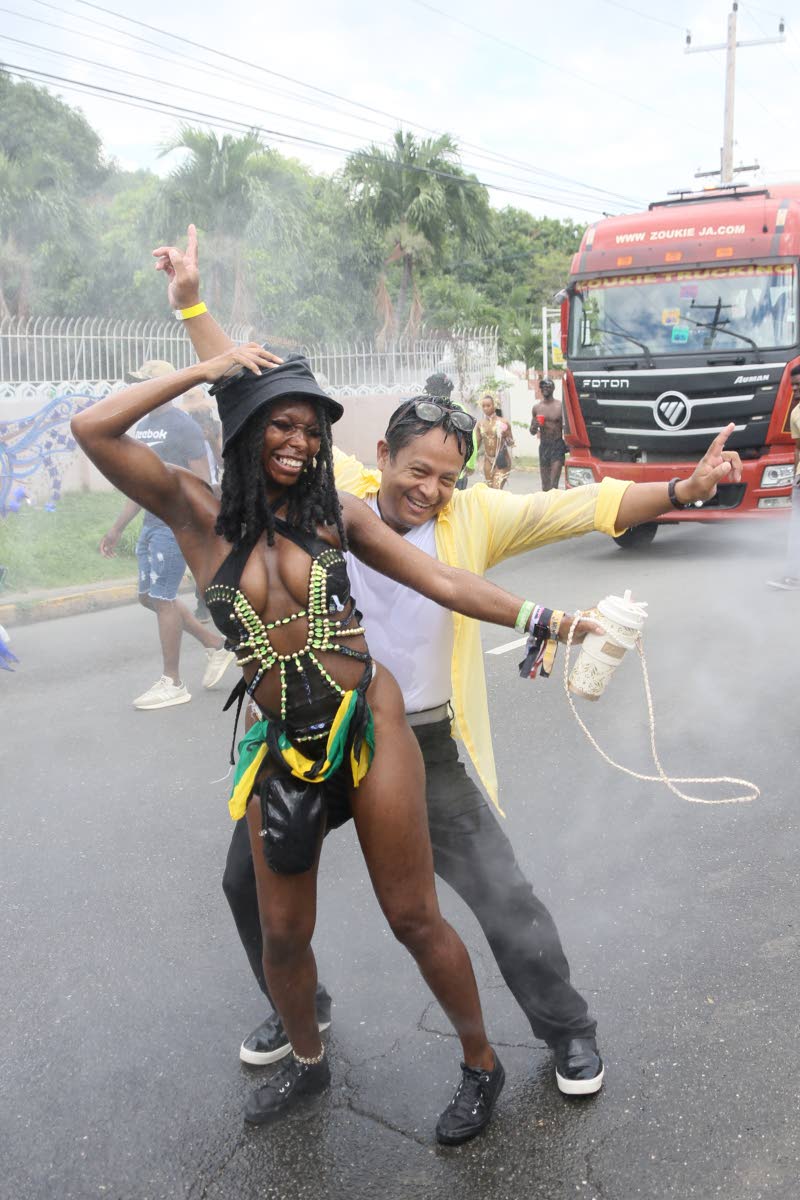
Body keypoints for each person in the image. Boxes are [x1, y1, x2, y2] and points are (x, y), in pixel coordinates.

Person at [150, 224, 743, 1109]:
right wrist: (196, 311)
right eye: (417, 469)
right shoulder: (336, 490)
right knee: (247, 885)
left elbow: (584, 505)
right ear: (381, 459)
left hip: (415, 741)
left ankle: (566, 1030)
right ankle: (296, 1002)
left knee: (500, 894)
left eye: (447, 478)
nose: (428, 489)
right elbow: (257, 388)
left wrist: (680, 491)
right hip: (308, 733)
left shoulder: (477, 522)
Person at [71, 338, 607, 1145]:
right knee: (282, 930)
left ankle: (481, 1063)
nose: (299, 442)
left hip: (373, 725)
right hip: (285, 744)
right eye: (281, 425)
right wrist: (200, 370)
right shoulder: (192, 510)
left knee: (413, 916)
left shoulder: (335, 511)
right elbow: (92, 430)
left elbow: (443, 581)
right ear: (245, 426)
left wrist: (547, 620)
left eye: (312, 429)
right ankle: (309, 1055)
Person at [98, 359, 235, 708]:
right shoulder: (142, 426)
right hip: (150, 523)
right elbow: (137, 484)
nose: (139, 390)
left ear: (167, 389)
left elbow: (203, 483)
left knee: (163, 598)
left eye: (146, 384)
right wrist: (117, 528)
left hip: (176, 526)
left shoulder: (184, 426)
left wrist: (202, 529)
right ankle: (213, 643)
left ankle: (172, 682)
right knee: (148, 596)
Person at [767, 364, 800, 590]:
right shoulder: (796, 413)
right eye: (794, 386)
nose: (795, 390)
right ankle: (794, 577)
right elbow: (798, 448)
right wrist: (795, 477)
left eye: (799, 385)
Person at [423, 372, 476, 490]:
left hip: (437, 471)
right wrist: (470, 464)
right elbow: (471, 437)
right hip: (452, 471)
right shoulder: (458, 409)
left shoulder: (427, 409)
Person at [531, 377, 567, 492]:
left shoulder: (560, 406)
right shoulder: (537, 408)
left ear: (553, 389)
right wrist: (534, 425)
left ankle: (554, 507)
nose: (545, 389)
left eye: (548, 387)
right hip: (544, 446)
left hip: (557, 445)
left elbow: (567, 427)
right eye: (543, 387)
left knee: (553, 484)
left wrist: (569, 444)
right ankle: (546, 508)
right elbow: (532, 431)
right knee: (545, 485)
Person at [476, 394, 513, 489]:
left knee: (496, 488)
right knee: (490, 491)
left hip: (501, 459)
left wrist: (505, 435)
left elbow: (511, 443)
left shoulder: (503, 422)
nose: (485, 408)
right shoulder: (480, 424)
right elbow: (476, 444)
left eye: (488, 405)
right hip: (488, 460)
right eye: (483, 406)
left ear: (494, 406)